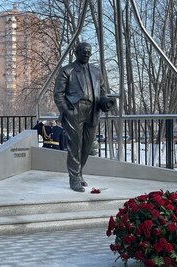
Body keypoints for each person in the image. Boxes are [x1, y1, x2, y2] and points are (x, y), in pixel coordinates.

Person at [54, 42, 114, 192]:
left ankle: (79, 173)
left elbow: (101, 92)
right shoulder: (67, 70)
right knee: (74, 146)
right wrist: (67, 111)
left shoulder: (96, 71)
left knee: (86, 146)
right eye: (83, 52)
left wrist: (105, 101)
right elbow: (58, 94)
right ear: (76, 52)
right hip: (75, 110)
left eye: (89, 52)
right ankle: (73, 178)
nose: (86, 54)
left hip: (93, 111)